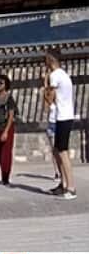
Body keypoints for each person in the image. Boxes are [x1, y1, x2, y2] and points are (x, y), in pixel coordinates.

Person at [44, 49, 76, 200]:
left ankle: (71, 187)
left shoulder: (54, 76)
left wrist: (45, 84)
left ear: (50, 60)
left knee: (63, 152)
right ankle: (63, 184)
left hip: (62, 117)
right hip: (65, 115)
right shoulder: (64, 74)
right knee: (58, 150)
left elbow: (50, 99)